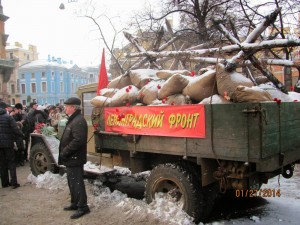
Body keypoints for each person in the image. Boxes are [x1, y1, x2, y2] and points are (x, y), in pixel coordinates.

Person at [58, 97, 90, 219]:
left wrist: (65, 151)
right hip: (71, 157)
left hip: (75, 157)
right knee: (72, 182)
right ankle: (75, 203)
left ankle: (83, 207)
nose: (65, 108)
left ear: (73, 107)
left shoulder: (78, 120)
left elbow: (79, 140)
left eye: (67, 106)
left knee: (77, 183)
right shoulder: (73, 119)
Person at [0, 101, 24, 189]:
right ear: (4, 108)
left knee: (2, 163)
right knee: (11, 162)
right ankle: (14, 182)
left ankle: (4, 183)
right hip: (8, 143)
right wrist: (22, 135)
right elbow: (15, 129)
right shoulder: (8, 117)